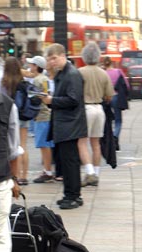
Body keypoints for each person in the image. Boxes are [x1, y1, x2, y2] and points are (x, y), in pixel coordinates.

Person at [40, 43, 87, 210]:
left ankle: (74, 196)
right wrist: (51, 99)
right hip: (65, 125)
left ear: (62, 55)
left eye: (54, 58)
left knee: (70, 162)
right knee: (65, 163)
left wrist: (53, 100)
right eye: (49, 59)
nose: (52, 62)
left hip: (70, 125)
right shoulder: (63, 74)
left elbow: (73, 99)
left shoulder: (72, 74)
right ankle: (69, 194)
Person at [78, 42, 114, 187]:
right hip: (99, 109)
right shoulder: (103, 73)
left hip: (85, 109)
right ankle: (96, 174)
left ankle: (89, 172)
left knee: (81, 142)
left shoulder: (80, 72)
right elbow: (109, 96)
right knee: (96, 143)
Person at [0, 89, 21, 252]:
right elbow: (13, 149)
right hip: (0, 180)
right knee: (0, 234)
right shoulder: (7, 104)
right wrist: (14, 179)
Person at [0, 57, 29, 186]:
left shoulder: (3, 82)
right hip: (22, 116)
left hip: (7, 114)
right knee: (22, 145)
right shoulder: (22, 80)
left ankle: (13, 174)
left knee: (10, 146)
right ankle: (23, 175)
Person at [26, 56, 55, 183]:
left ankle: (48, 171)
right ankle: (46, 169)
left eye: (32, 64)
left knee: (44, 145)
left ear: (37, 66)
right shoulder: (43, 79)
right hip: (44, 114)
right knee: (45, 145)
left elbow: (37, 98)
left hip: (41, 115)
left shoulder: (38, 80)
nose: (30, 67)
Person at [103, 56, 129, 151]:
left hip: (106, 99)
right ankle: (115, 137)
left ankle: (110, 141)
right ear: (111, 63)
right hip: (117, 97)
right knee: (118, 121)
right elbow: (126, 85)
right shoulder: (118, 72)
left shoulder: (103, 73)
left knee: (108, 120)